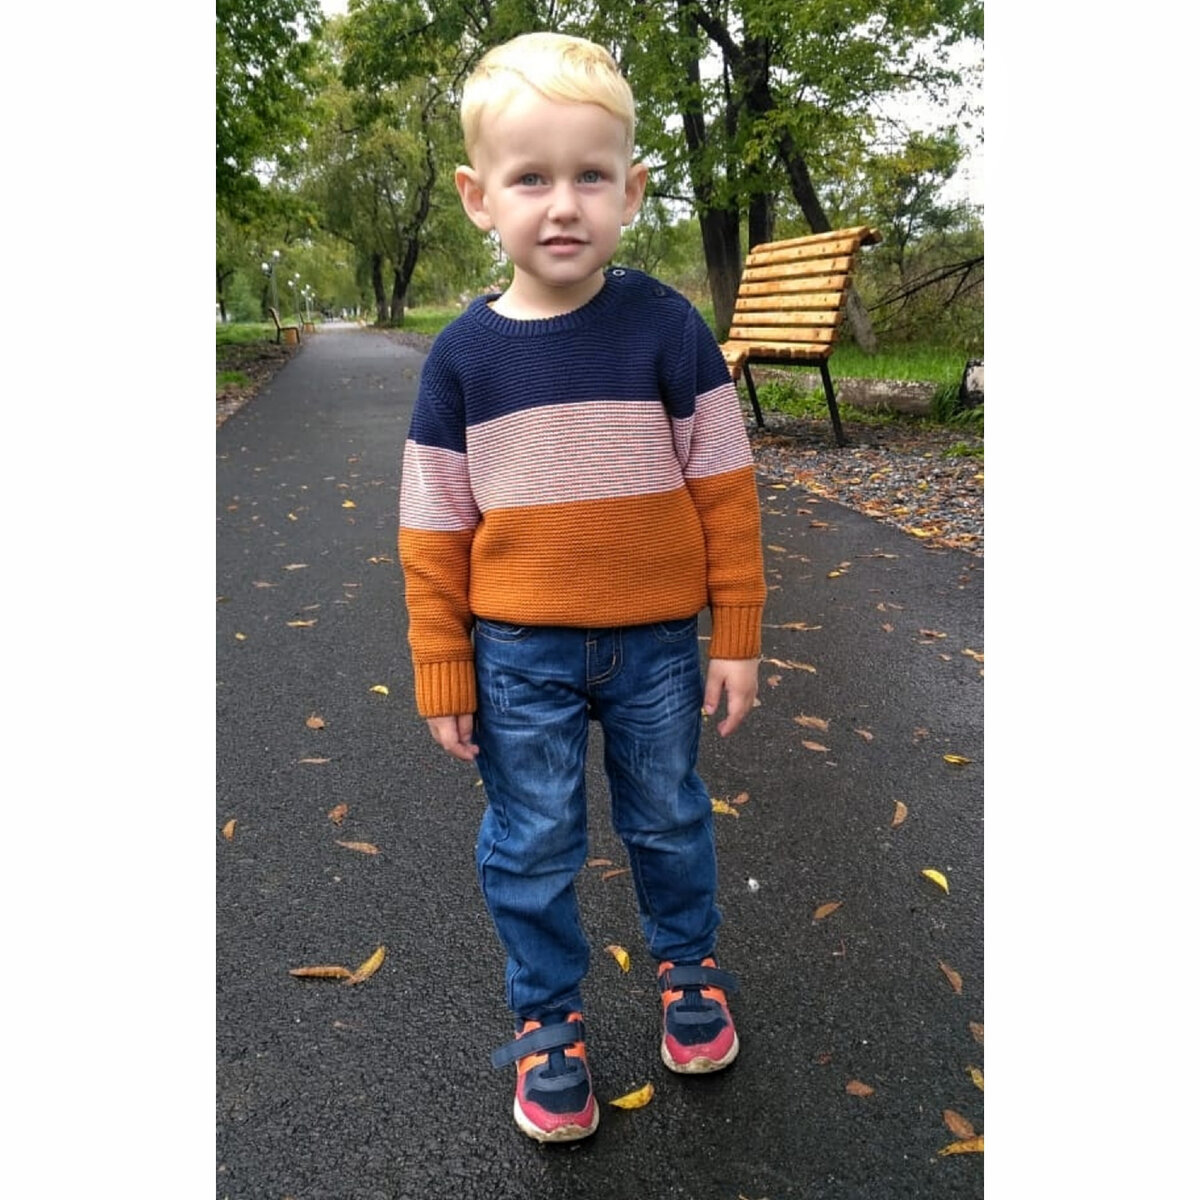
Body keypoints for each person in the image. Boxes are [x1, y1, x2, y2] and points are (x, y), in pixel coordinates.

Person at [398, 30, 766, 1144]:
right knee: (533, 841)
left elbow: (725, 488)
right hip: (519, 656)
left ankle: (688, 967)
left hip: (656, 645)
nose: (563, 205)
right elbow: (433, 526)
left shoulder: (666, 328)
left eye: (591, 176)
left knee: (668, 818)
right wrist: (444, 662)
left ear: (633, 190)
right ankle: (548, 1019)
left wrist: (735, 633)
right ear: (478, 198)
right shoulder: (463, 360)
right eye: (530, 178)